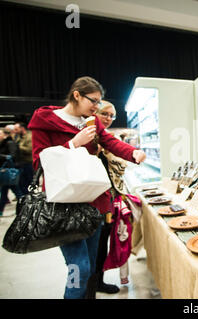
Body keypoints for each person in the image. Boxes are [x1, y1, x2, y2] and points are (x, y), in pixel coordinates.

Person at [27, 76, 146, 299]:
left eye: (99, 103)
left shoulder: (92, 121)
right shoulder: (45, 119)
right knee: (78, 268)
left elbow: (111, 142)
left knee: (90, 266)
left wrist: (132, 153)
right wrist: (73, 144)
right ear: (77, 95)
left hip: (95, 203)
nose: (96, 107)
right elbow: (39, 163)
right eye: (93, 101)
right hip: (64, 206)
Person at [93, 100, 130, 294]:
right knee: (90, 248)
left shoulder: (108, 139)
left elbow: (121, 167)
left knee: (102, 243)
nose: (108, 119)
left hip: (108, 201)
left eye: (112, 115)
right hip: (89, 203)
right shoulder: (87, 138)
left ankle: (98, 281)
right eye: (104, 114)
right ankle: (88, 284)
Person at [0, 128, 23, 216]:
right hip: (6, 171)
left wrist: (2, 156)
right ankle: (1, 210)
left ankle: (23, 208)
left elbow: (12, 156)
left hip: (10, 171)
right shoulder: (4, 143)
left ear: (5, 135)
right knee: (6, 191)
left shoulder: (9, 143)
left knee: (16, 191)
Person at [13, 122, 33, 195]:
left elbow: (30, 149)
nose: (15, 131)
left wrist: (18, 147)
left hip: (28, 163)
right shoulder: (17, 136)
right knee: (21, 184)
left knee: (28, 184)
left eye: (16, 129)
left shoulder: (29, 136)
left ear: (22, 128)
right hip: (20, 163)